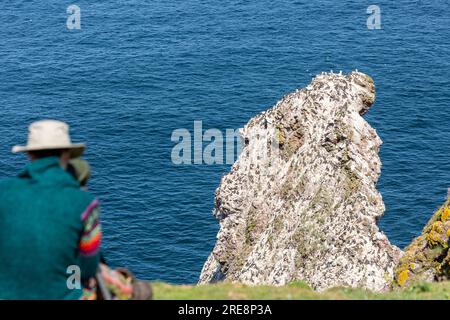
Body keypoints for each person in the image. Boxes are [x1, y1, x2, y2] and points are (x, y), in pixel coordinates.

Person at [0, 120, 102, 299]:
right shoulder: (85, 203)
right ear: (66, 154)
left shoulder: (3, 192)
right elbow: (87, 268)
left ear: (29, 155)